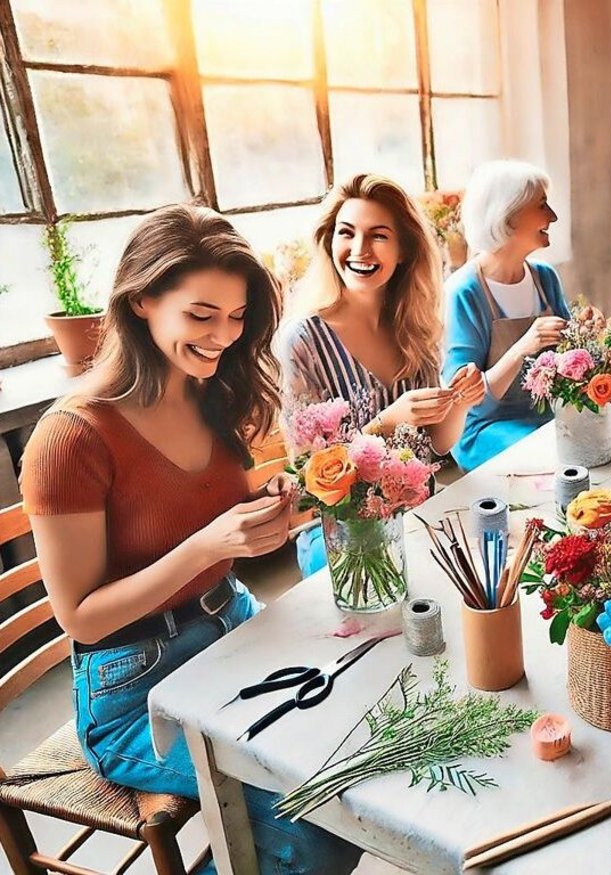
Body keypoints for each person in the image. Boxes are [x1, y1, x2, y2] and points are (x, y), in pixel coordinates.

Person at [21, 205, 363, 874]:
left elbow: (204, 524)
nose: (223, 337)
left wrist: (265, 512)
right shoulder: (73, 437)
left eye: (236, 317)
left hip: (232, 627)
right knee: (316, 824)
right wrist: (208, 545)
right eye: (201, 315)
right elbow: (80, 616)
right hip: (131, 693)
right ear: (142, 299)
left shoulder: (210, 392)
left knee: (355, 748)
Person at [278, 173, 486, 576]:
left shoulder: (416, 327)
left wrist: (460, 403)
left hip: (417, 505)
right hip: (340, 527)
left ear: (404, 250)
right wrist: (388, 421)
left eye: (378, 236)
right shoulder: (301, 341)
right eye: (346, 233)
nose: (359, 250)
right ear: (329, 242)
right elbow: (307, 475)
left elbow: (436, 446)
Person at [442, 160, 575, 470]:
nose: (552, 216)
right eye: (542, 205)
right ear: (509, 216)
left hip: (544, 416)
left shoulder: (545, 277)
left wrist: (585, 337)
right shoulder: (464, 291)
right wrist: (522, 347)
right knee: (554, 457)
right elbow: (469, 403)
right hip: (486, 428)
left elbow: (570, 361)